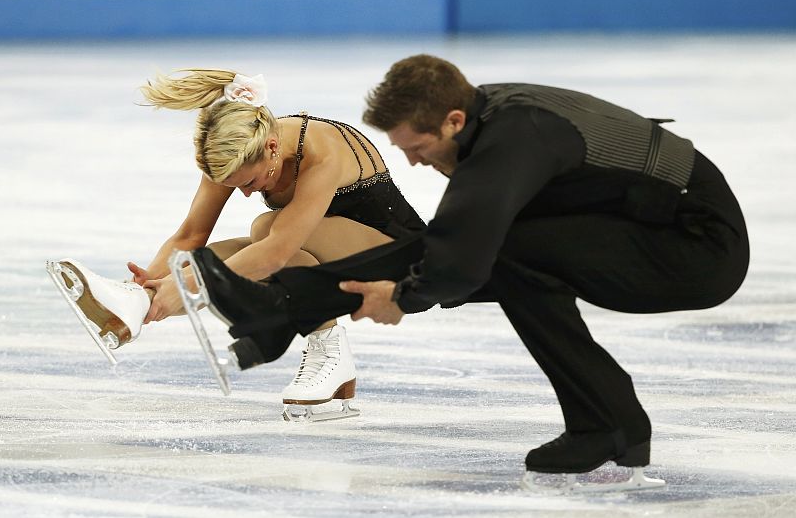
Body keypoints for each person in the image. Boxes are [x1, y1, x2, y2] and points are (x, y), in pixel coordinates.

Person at [177, 55, 749, 486]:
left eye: (416, 146)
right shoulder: (487, 122)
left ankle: (607, 422)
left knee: (509, 255)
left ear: (452, 120)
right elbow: (453, 243)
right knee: (506, 254)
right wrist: (404, 287)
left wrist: (403, 296)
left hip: (693, 246)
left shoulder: (512, 141)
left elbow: (460, 261)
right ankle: (607, 424)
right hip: (637, 220)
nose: (410, 161)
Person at [46, 69, 426, 420]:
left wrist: (183, 288)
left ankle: (330, 352)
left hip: (406, 263)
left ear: (272, 147)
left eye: (250, 183)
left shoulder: (320, 152)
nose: (245, 193)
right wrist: (151, 286)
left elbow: (275, 253)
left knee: (265, 231)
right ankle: (136, 301)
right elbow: (190, 236)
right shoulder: (232, 149)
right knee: (235, 248)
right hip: (332, 259)